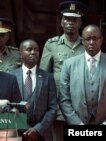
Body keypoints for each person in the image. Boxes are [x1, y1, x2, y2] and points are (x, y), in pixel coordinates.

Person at [39, 1, 87, 140]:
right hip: (58, 107)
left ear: (80, 23)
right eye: (67, 19)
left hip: (83, 108)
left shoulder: (87, 46)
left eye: (74, 19)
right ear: (61, 22)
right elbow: (43, 77)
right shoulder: (52, 45)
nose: (70, 22)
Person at [10, 40, 57, 141]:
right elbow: (8, 107)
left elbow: (52, 108)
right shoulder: (11, 76)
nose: (33, 52)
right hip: (17, 133)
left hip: (42, 134)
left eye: (36, 50)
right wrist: (25, 128)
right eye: (29, 49)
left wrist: (38, 129)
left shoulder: (48, 77)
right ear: (21, 54)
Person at [60, 24, 106, 125]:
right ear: (82, 41)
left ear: (101, 40)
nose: (92, 42)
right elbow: (64, 100)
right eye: (88, 39)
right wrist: (78, 124)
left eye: (95, 38)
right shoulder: (69, 64)